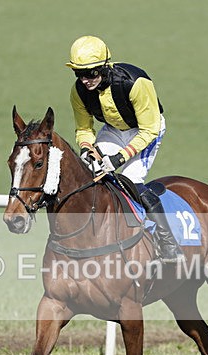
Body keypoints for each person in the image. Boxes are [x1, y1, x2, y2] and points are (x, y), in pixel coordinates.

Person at [66, 35, 184, 263]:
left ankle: (168, 242)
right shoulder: (78, 91)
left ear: (104, 67)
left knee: (131, 180)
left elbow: (149, 130)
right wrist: (86, 148)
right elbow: (84, 128)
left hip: (146, 130)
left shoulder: (135, 82)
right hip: (113, 129)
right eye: (78, 74)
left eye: (90, 73)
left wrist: (120, 158)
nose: (85, 80)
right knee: (90, 174)